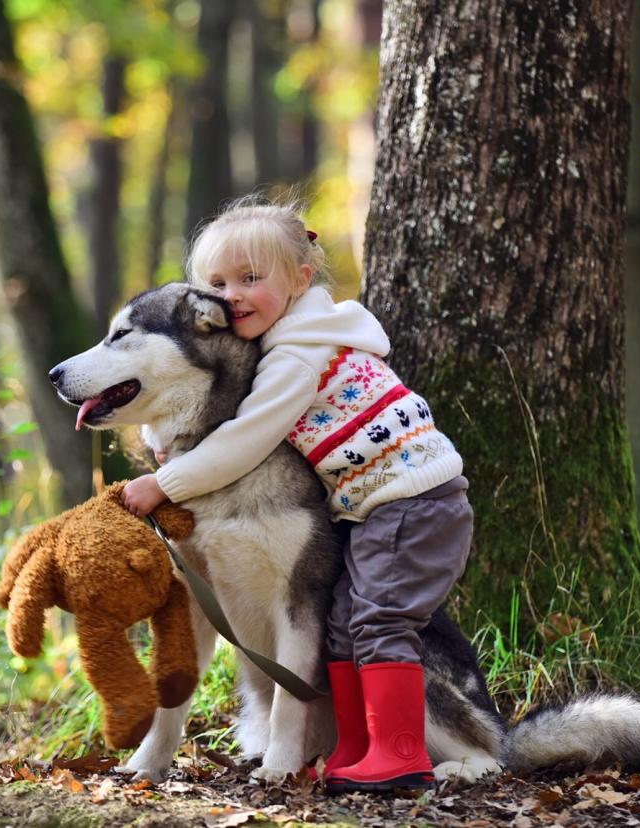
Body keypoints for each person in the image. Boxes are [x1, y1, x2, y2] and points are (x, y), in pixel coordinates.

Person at [122, 197, 473, 793]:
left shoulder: (297, 353)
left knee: (379, 618)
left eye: (251, 279)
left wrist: (167, 481)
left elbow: (248, 435)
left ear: (300, 280)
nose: (232, 294)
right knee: (341, 623)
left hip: (414, 501)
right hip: (376, 505)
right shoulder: (296, 335)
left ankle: (406, 752)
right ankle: (356, 746)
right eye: (217, 282)